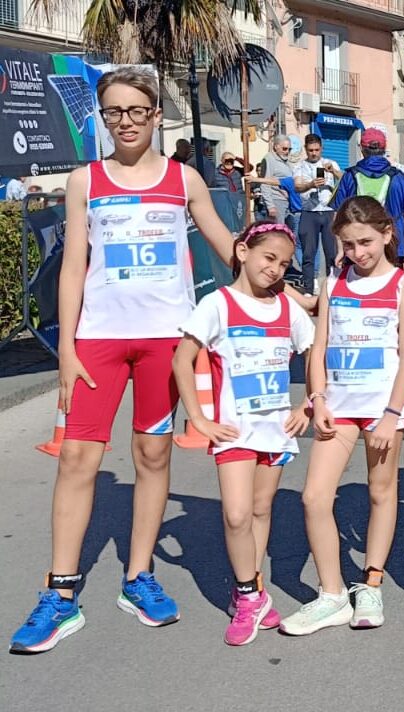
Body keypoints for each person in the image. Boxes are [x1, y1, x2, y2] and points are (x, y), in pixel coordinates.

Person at [8, 67, 239, 654]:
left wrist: (276, 276)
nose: (127, 122)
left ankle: (139, 576)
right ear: (103, 118)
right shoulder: (86, 179)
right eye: (115, 112)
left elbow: (225, 241)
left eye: (138, 111)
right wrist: (65, 348)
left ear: (156, 115)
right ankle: (61, 593)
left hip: (167, 340)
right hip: (99, 340)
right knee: (79, 459)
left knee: (152, 453)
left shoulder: (183, 178)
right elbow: (74, 264)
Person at [279, 197, 404, 635]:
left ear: (386, 235)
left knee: (381, 493)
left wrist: (393, 413)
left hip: (382, 410)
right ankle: (333, 593)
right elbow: (317, 347)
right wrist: (316, 398)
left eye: (366, 242)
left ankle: (371, 582)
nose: (359, 252)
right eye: (350, 244)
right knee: (314, 497)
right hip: (337, 407)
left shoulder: (402, 286)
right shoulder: (333, 284)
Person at [172, 222, 313, 646]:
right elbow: (183, 361)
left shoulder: (288, 310)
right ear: (242, 251)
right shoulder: (218, 304)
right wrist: (199, 419)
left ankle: (251, 586)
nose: (275, 270)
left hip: (276, 430)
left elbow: (315, 353)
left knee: (259, 510)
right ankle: (250, 595)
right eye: (268, 258)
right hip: (234, 431)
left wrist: (307, 404)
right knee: (235, 514)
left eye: (284, 264)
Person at [332, 128, 404, 271]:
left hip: (357, 249)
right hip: (393, 246)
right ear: (384, 149)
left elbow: (338, 217)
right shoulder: (400, 178)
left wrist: (341, 250)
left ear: (362, 149)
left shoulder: (349, 176)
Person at [293, 134, 343, 294]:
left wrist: (333, 172)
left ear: (321, 148)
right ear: (305, 150)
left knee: (331, 252)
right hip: (309, 212)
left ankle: (332, 287)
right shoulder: (300, 166)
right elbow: (297, 187)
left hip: (329, 212)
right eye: (310, 150)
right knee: (308, 252)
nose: (314, 153)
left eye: (316, 150)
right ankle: (308, 288)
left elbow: (344, 180)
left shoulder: (330, 163)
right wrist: (310, 184)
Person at [258, 135, 294, 224]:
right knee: (278, 231)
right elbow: (264, 182)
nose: (287, 152)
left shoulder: (286, 161)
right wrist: (270, 206)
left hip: (288, 202)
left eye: (289, 149)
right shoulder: (269, 159)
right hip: (276, 201)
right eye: (284, 149)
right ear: (276, 147)